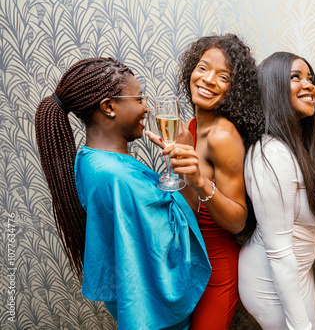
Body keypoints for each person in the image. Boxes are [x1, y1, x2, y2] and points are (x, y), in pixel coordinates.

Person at [35, 57, 211, 330]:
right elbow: (174, 246)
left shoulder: (90, 159)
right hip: (156, 319)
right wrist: (186, 164)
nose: (146, 108)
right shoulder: (118, 178)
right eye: (139, 99)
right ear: (109, 107)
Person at [148, 34, 264, 330]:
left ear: (234, 89)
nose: (208, 79)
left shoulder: (222, 136)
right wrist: (177, 170)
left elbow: (238, 221)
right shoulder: (190, 127)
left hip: (217, 267)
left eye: (223, 76)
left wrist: (199, 180)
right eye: (203, 68)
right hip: (191, 261)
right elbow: (190, 207)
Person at [237, 51, 315, 330]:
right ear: (274, 88)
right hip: (270, 278)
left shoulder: (295, 148)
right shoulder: (272, 155)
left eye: (310, 78)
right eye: (295, 78)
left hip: (297, 272)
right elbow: (278, 252)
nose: (309, 85)